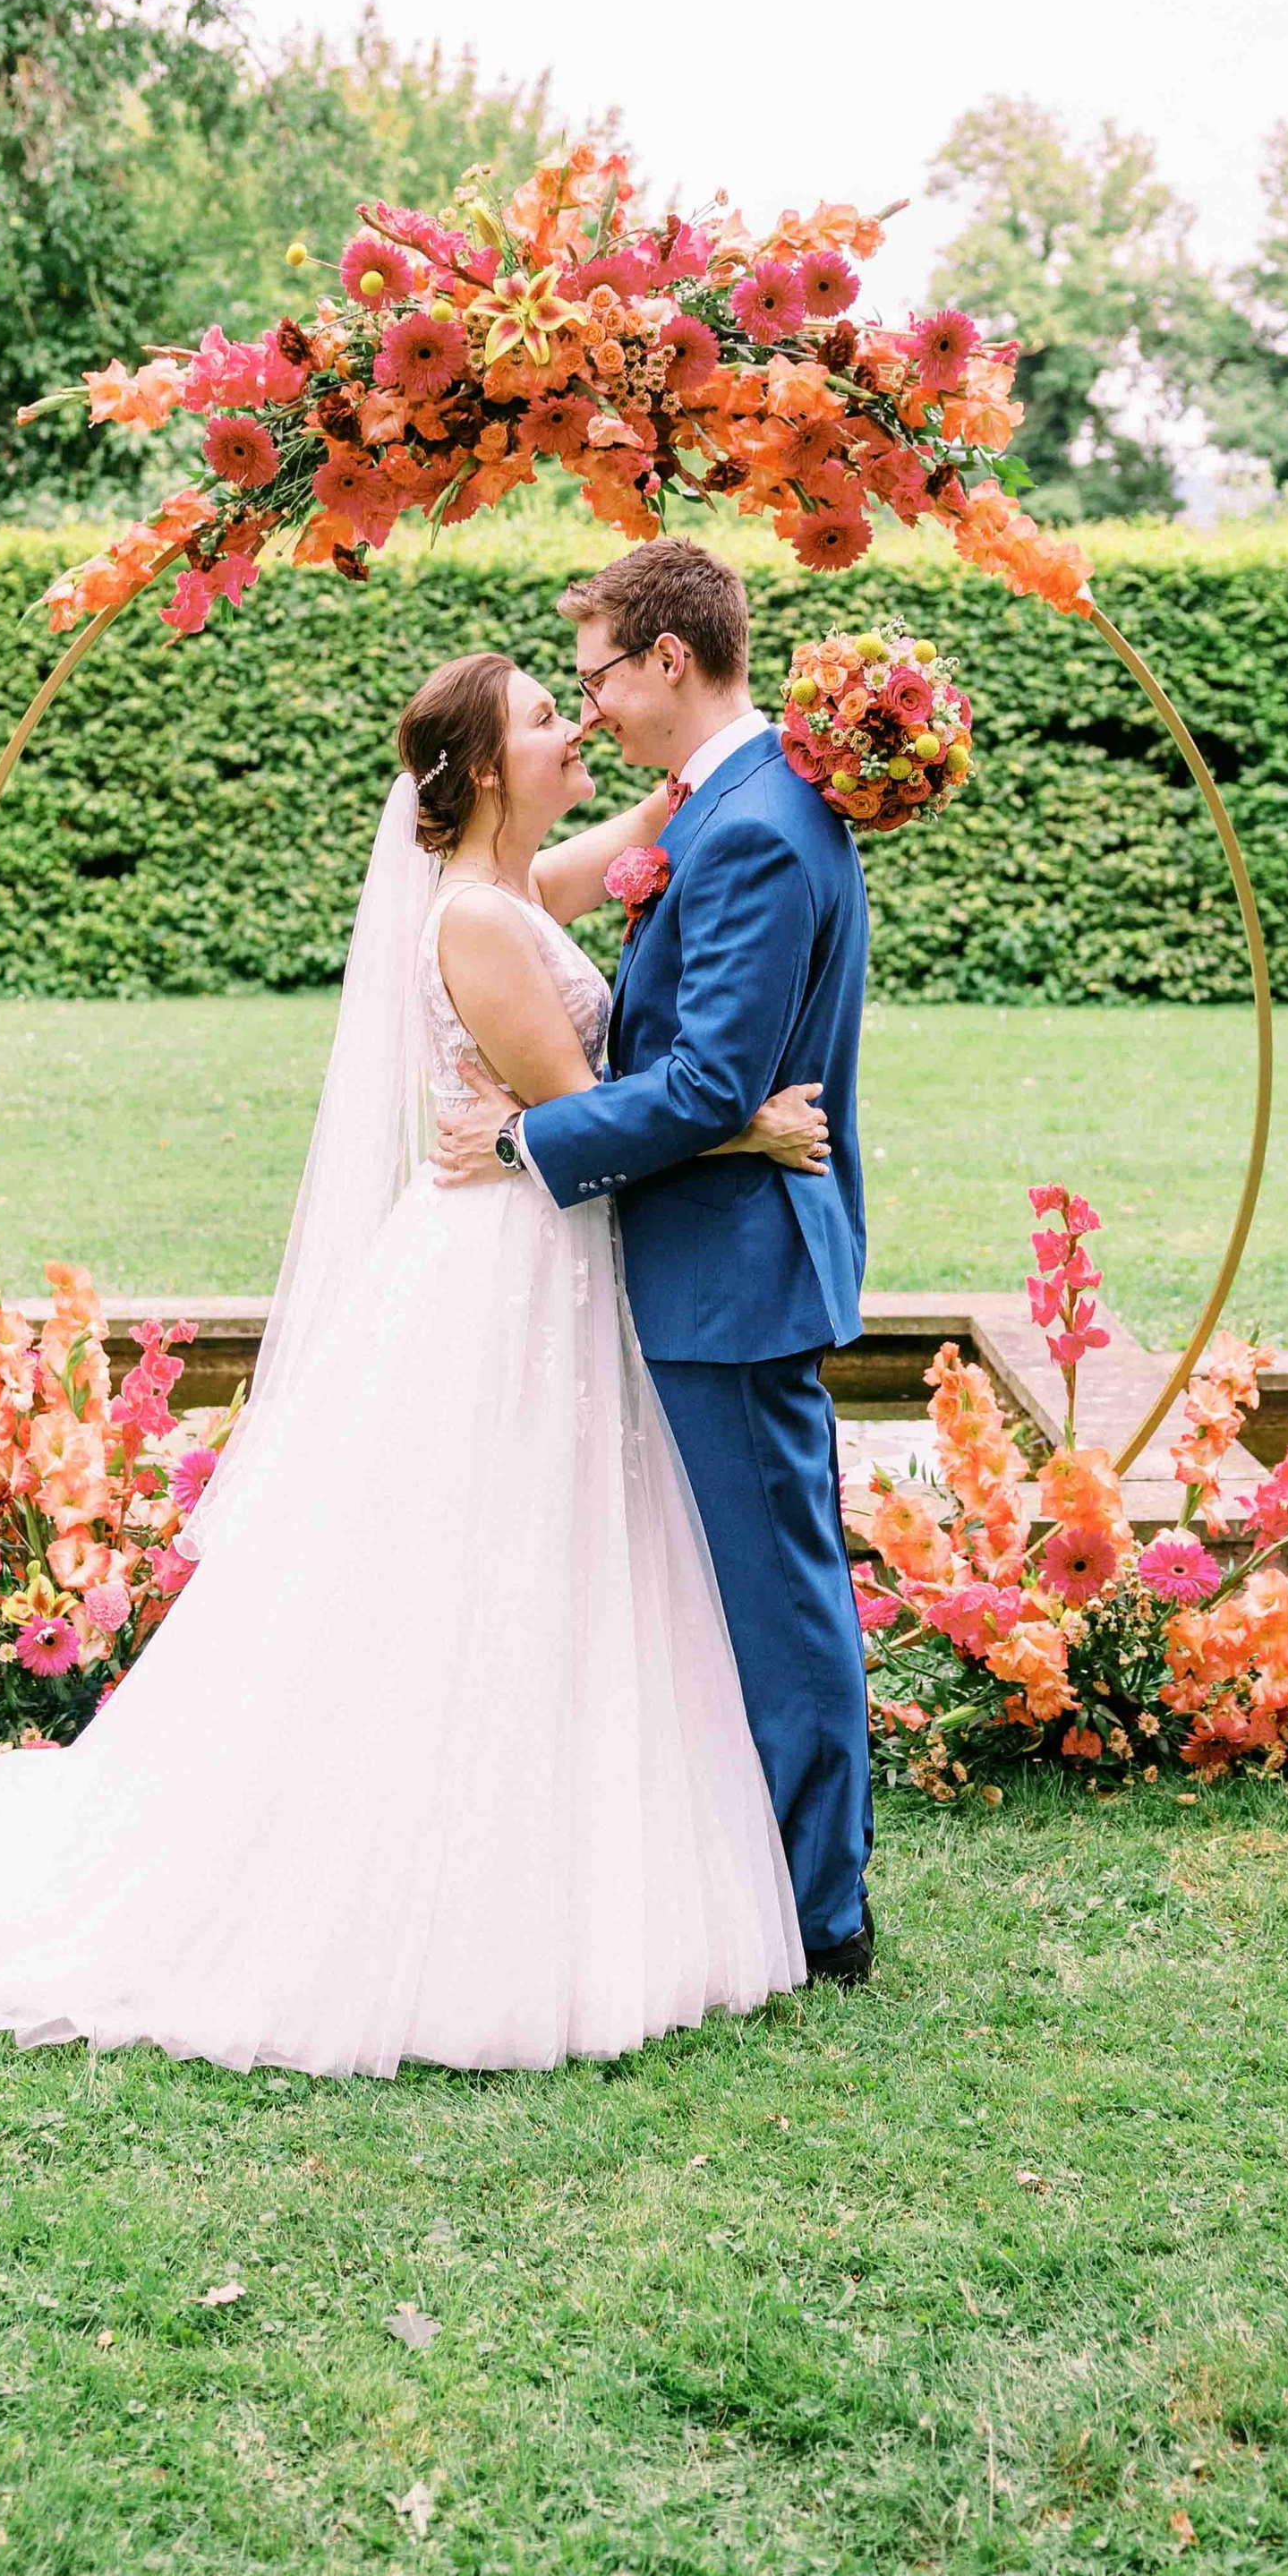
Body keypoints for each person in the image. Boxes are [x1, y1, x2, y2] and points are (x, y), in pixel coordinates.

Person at [0, 647, 829, 2075]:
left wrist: (735, 752)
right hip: (509, 1270)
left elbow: (640, 834)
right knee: (476, 1568)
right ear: (487, 769)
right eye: (549, 717)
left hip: (532, 1255)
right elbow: (588, 1114)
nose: (575, 722)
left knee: (531, 1554)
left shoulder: (513, 885)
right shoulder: (482, 920)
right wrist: (745, 1125)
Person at [433, 542, 875, 1983]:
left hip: (730, 1273)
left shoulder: (751, 825)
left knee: (778, 1596)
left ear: (669, 659)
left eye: (601, 675)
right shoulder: (726, 800)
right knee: (739, 1584)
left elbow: (705, 1082)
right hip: (709, 1254)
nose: (593, 705)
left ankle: (822, 1912)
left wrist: (521, 1141)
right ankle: (759, 1877)